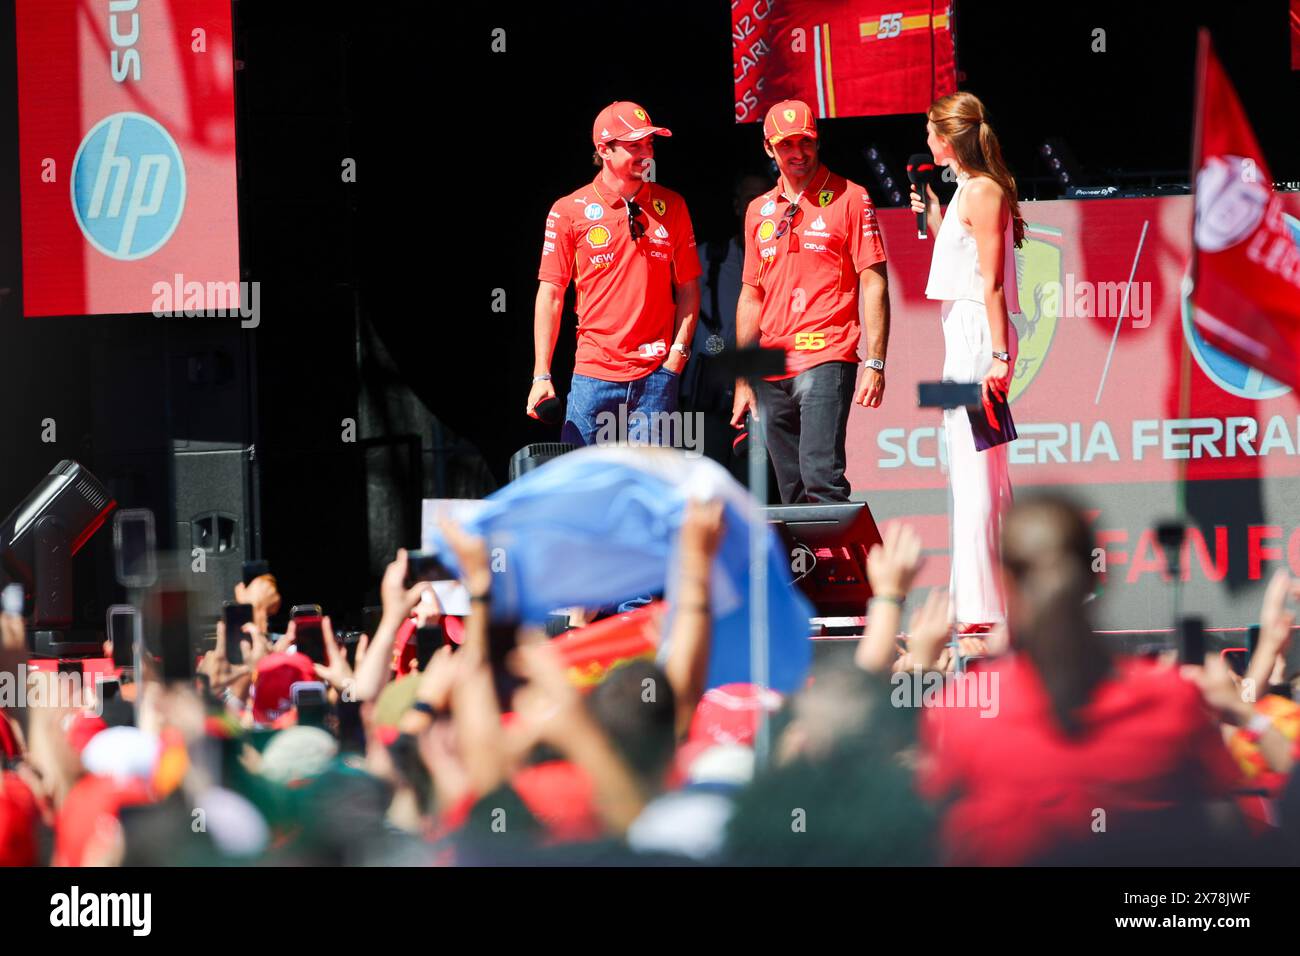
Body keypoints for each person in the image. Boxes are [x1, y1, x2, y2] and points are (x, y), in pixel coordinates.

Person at [917, 496, 1244, 866]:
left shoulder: (963, 711)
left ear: (1003, 580)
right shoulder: (1175, 698)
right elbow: (1227, 825)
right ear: (1099, 575)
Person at [731, 100, 890, 503]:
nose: (798, 153)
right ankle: (811, 568)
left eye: (806, 142)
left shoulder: (851, 197)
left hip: (826, 354)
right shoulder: (757, 211)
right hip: (771, 366)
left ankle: (844, 569)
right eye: (787, 145)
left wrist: (875, 361)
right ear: (769, 148)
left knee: (822, 481)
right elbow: (751, 296)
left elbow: (874, 282)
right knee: (793, 493)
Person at [910, 91, 1022, 629]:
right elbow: (958, 260)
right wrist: (933, 214)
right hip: (964, 331)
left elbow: (992, 281)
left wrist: (999, 356)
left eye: (931, 133)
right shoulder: (964, 192)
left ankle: (982, 606)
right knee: (970, 466)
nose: (926, 141)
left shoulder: (982, 191)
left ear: (949, 138)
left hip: (980, 335)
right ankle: (984, 600)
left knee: (977, 468)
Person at [529, 101, 702, 446]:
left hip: (656, 378)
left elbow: (688, 288)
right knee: (585, 491)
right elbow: (550, 295)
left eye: (649, 144)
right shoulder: (568, 211)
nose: (646, 153)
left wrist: (676, 359)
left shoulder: (674, 206)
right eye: (634, 145)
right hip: (594, 377)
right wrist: (541, 375)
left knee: (649, 493)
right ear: (603, 150)